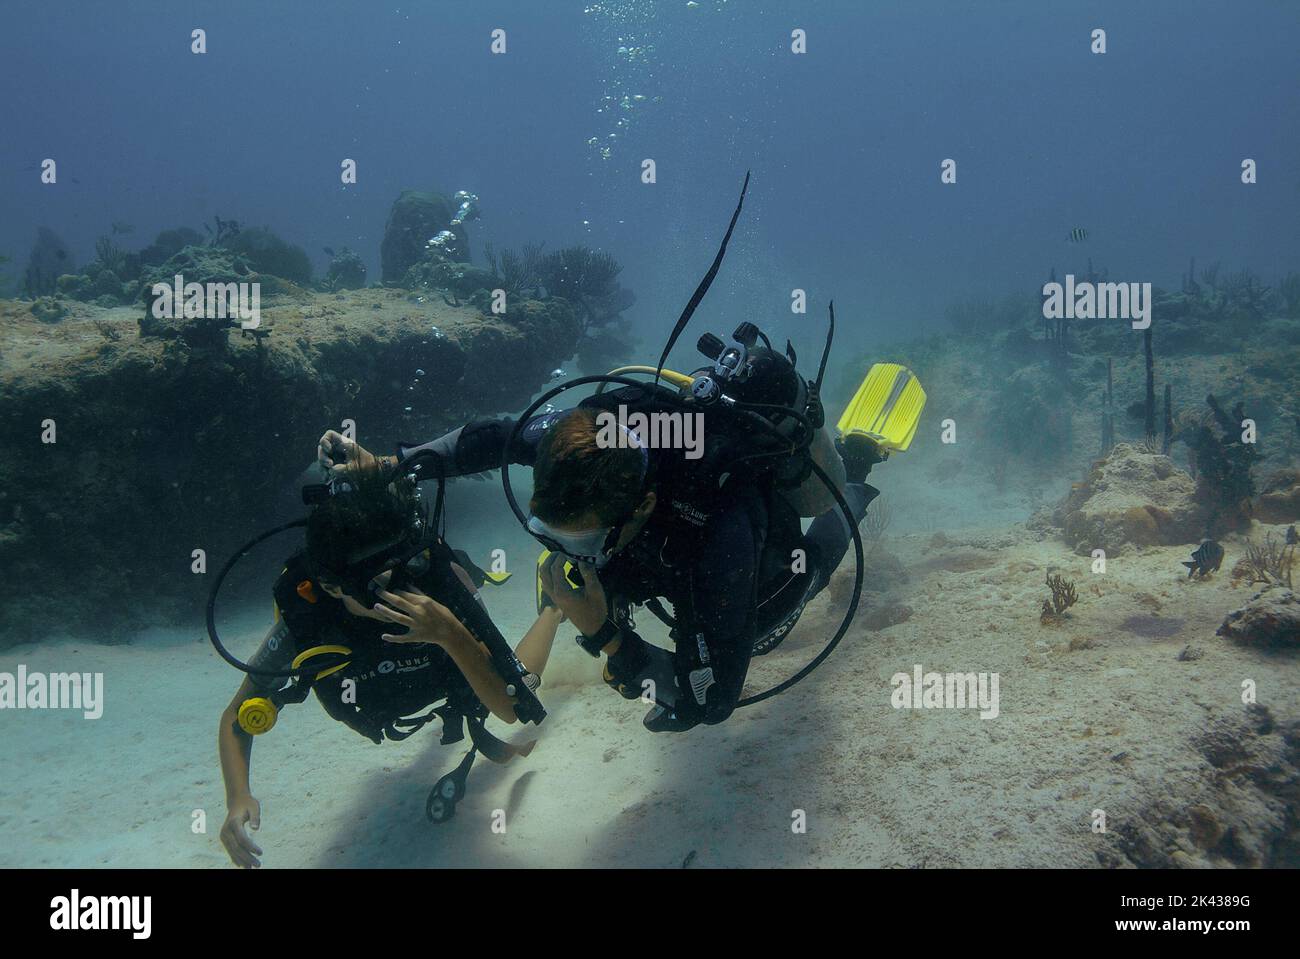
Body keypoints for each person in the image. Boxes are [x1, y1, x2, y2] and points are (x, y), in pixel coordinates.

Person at [317, 354, 923, 736]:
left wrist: (607, 636)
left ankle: (860, 469)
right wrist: (392, 465)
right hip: (648, 531)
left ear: (643, 506)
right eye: (549, 532)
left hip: (756, 541)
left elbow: (708, 701)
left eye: (577, 536)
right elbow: (490, 439)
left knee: (778, 604)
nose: (566, 550)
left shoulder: (722, 535)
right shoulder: (573, 437)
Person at [217, 460, 563, 868]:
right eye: (381, 583)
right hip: (375, 702)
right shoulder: (306, 619)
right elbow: (237, 717)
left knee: (525, 679)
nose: (408, 590)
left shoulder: (438, 583)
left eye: (409, 567)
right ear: (331, 587)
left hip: (449, 672)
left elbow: (510, 707)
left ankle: (555, 607)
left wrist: (450, 632)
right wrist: (238, 796)